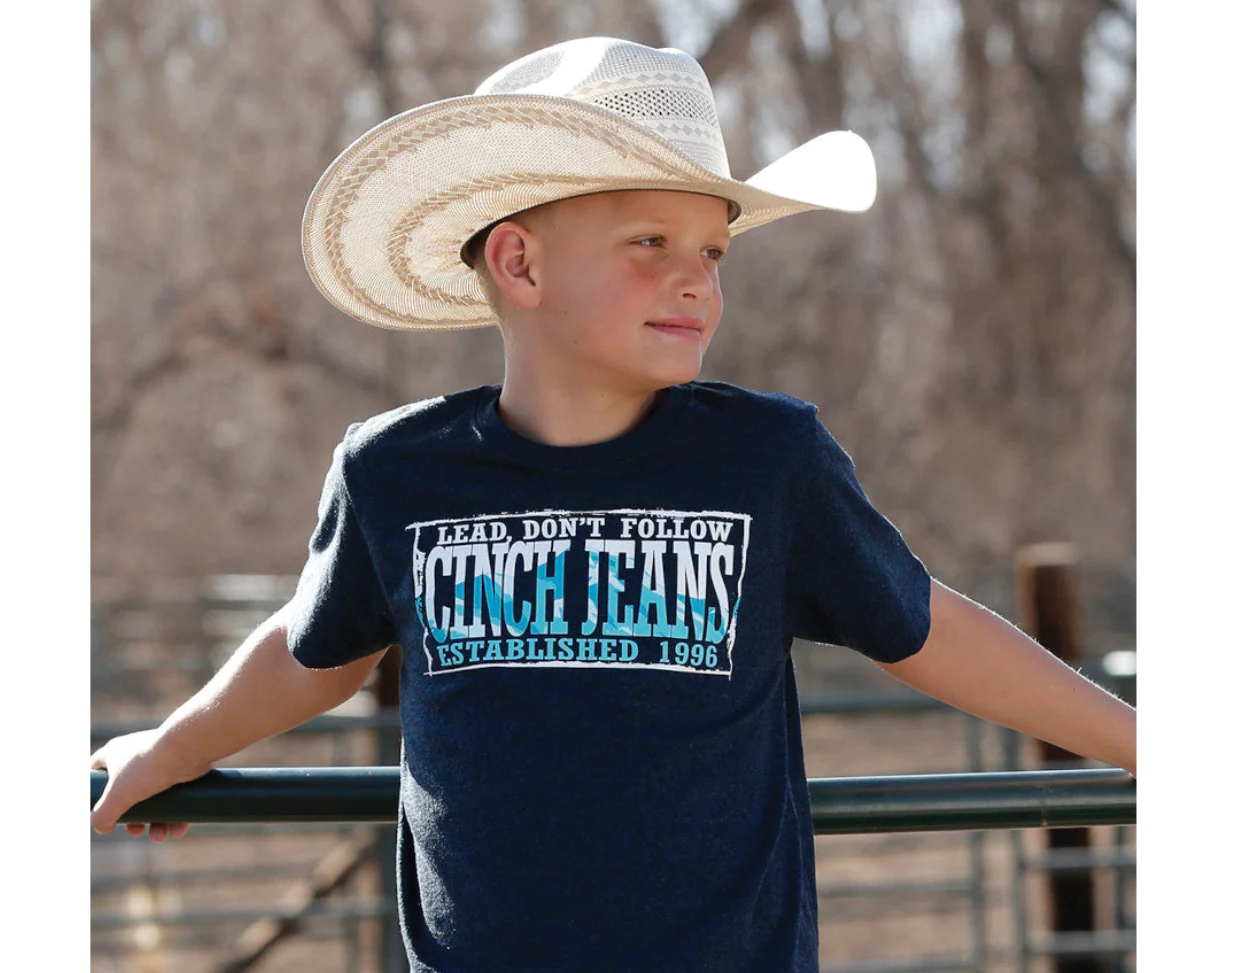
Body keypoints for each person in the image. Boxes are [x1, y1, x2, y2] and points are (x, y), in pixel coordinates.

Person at [91, 37, 1136, 973]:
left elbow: (927, 627)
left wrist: (1148, 745)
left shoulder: (765, 460)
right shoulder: (396, 471)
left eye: (713, 252)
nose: (697, 283)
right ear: (518, 260)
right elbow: (309, 650)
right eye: (650, 244)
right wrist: (172, 750)